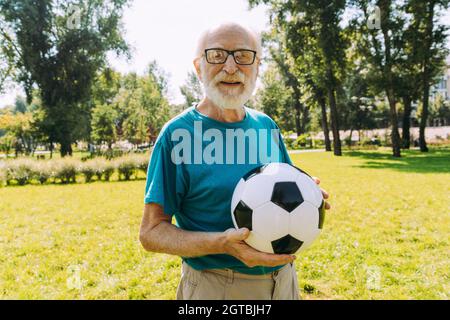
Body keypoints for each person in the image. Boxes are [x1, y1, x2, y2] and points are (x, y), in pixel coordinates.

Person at [139, 22, 331, 300]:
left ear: (257, 67)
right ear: (198, 67)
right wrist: (222, 244)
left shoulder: (266, 125)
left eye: (243, 55)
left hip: (285, 281)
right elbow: (151, 233)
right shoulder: (177, 135)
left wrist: (307, 194)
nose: (230, 67)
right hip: (218, 287)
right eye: (217, 55)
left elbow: (280, 183)